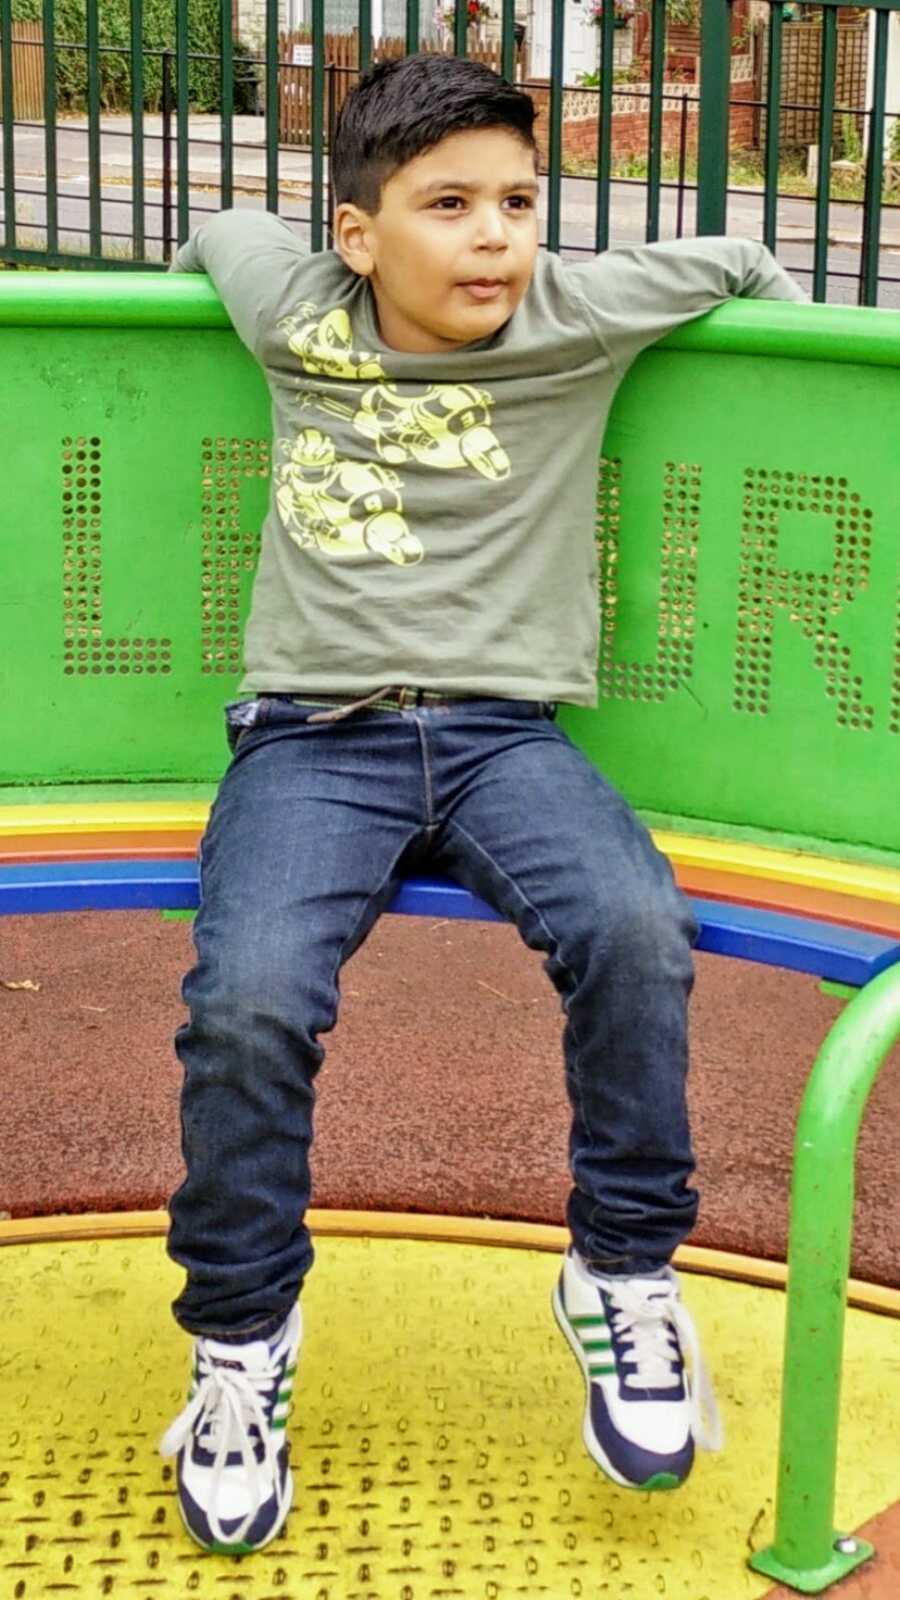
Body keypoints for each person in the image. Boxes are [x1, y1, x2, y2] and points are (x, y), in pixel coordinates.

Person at [159, 51, 806, 1555]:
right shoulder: (295, 307)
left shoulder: (577, 314)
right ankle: (241, 1345)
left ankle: (625, 1272)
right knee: (248, 996)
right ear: (359, 233)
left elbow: (751, 258)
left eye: (518, 200)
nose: (496, 237)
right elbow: (216, 229)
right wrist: (220, 245)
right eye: (447, 205)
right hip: (314, 740)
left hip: (510, 739)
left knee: (636, 929)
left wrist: (799, 372)